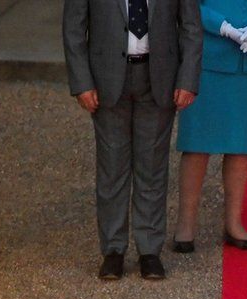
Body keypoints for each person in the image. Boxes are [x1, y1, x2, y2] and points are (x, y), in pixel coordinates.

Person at [63, 0, 202, 280]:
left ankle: (149, 250)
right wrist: (82, 82)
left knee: (152, 167)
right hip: (107, 80)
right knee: (112, 168)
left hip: (158, 78)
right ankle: (113, 250)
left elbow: (191, 27)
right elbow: (73, 28)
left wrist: (187, 79)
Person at [172, 0, 247, 253]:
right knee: (197, 144)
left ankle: (233, 224)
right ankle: (185, 226)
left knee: (241, 146)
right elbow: (190, 6)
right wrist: (225, 28)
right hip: (209, 57)